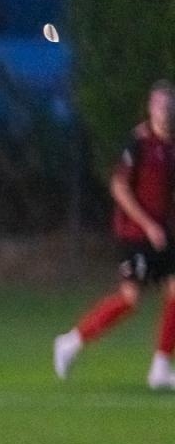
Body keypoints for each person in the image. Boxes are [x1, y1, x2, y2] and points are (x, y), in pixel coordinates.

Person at [54, 81, 175, 388]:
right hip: (136, 233)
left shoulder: (170, 147)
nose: (164, 112)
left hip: (162, 233)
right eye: (159, 106)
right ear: (151, 109)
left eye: (168, 106)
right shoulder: (139, 143)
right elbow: (118, 187)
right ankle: (70, 342)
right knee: (131, 298)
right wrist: (147, 224)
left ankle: (160, 368)